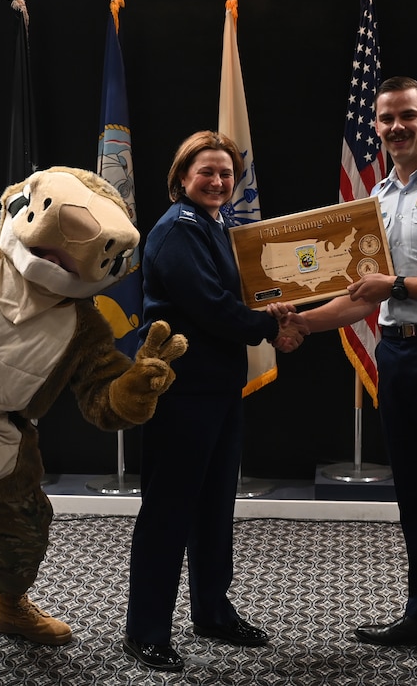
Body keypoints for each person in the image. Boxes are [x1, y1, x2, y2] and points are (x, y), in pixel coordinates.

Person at [272, 76, 417, 686]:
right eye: (385, 119)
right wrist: (298, 324)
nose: (395, 127)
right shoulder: (378, 199)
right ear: (374, 126)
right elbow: (356, 300)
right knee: (416, 495)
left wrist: (394, 287)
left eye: (406, 116)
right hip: (398, 358)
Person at [122, 130, 306, 672]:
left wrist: (279, 309)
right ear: (182, 177)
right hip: (183, 389)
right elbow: (208, 306)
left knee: (213, 506)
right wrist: (272, 330)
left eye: (226, 173)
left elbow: (244, 292)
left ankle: (212, 610)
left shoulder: (217, 225)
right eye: (207, 171)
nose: (219, 181)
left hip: (218, 386)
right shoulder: (177, 230)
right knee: (169, 508)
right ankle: (146, 628)